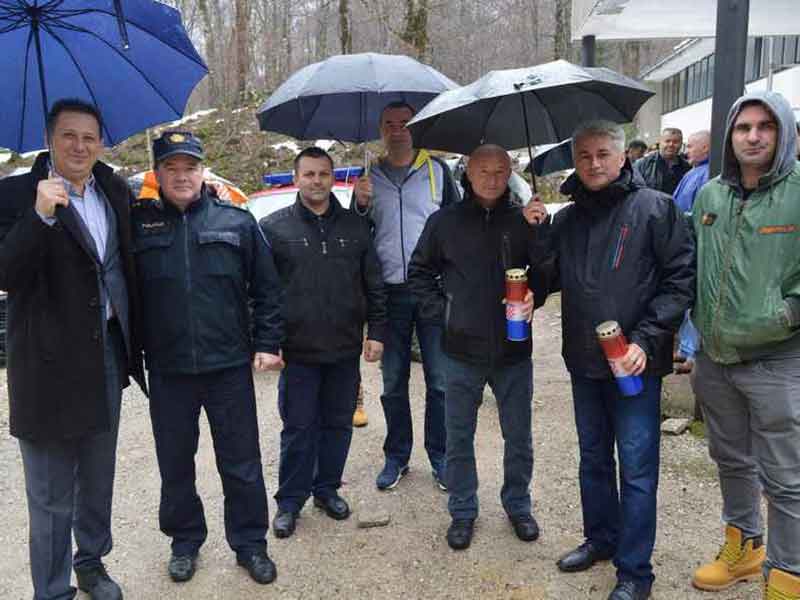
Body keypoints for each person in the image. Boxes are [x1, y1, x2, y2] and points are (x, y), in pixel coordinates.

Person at [525, 121, 694, 600]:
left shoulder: (655, 208)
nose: (594, 163)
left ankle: (635, 572)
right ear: (575, 162)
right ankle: (600, 538)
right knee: (593, 459)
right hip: (584, 360)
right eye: (584, 156)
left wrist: (647, 339)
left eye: (603, 154)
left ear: (622, 158)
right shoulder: (566, 220)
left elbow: (681, 279)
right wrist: (537, 235)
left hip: (635, 362)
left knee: (637, 469)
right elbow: (545, 284)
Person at [0, 98, 146, 600]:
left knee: (98, 477)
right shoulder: (14, 195)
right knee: (50, 493)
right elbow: (5, 274)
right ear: (49, 139)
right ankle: (52, 589)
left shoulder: (114, 189)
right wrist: (38, 216)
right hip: (45, 368)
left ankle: (91, 563)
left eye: (89, 137)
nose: (79, 146)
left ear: (100, 142)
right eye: (68, 135)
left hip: (104, 355)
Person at [131, 131, 284, 585]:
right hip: (169, 369)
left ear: (203, 172)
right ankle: (184, 542)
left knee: (241, 462)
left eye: (190, 167)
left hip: (228, 366)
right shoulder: (137, 226)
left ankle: (250, 543)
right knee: (175, 464)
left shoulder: (236, 222)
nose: (182, 176)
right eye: (172, 168)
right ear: (157, 174)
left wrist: (267, 342)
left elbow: (268, 288)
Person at [690, 91, 800, 599]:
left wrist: (786, 313)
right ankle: (745, 546)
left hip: (777, 358)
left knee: (785, 476)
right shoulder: (711, 196)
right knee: (731, 460)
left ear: (783, 133)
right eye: (743, 127)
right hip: (715, 358)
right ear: (730, 136)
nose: (753, 137)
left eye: (765, 126)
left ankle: (787, 576)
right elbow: (689, 263)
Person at [408, 144, 545, 551]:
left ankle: (518, 505)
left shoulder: (523, 219)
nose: (492, 179)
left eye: (500, 171)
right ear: (468, 173)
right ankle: (463, 510)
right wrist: (445, 313)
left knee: (518, 436)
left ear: (510, 173)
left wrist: (540, 238)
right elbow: (419, 273)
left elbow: (547, 273)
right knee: (458, 436)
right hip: (460, 350)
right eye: (483, 170)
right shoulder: (444, 222)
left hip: (513, 350)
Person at [260, 147, 387, 539]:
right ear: (296, 178)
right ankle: (289, 502)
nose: (317, 181)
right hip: (298, 352)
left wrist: (376, 332)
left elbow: (374, 284)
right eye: (309, 174)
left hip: (344, 349)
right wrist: (268, 342)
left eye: (323, 174)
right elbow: (262, 292)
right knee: (298, 428)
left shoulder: (355, 227)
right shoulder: (273, 228)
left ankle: (327, 489)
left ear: (334, 178)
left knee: (338, 424)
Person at [353, 101, 460, 491]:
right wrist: (359, 205)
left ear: (416, 127)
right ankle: (396, 456)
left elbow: (458, 224)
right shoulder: (369, 176)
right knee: (393, 381)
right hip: (388, 293)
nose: (397, 129)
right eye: (389, 123)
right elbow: (358, 236)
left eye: (405, 122)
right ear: (381, 129)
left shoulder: (438, 172)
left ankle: (441, 457)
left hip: (432, 289)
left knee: (440, 381)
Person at [671, 129, 711, 375]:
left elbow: (701, 214)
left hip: (695, 244)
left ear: (706, 148)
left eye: (691, 146)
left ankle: (693, 353)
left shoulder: (708, 175)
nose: (686, 151)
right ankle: (686, 348)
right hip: (684, 243)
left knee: (695, 299)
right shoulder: (693, 172)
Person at [633, 127, 691, 195]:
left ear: (681, 144)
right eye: (667, 141)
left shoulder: (688, 168)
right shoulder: (642, 164)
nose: (671, 145)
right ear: (660, 142)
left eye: (675, 142)